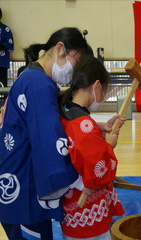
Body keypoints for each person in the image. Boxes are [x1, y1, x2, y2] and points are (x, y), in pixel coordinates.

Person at [0, 27, 89, 240]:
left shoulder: (34, 77)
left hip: (19, 174)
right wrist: (77, 179)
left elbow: (51, 122)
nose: (74, 70)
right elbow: (48, 137)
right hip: (23, 186)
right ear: (60, 49)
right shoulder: (38, 83)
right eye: (77, 60)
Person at [58, 55, 125, 240]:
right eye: (104, 90)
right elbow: (98, 173)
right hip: (87, 212)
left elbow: (80, 145)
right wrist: (109, 145)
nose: (103, 96)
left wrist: (98, 129)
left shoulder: (66, 110)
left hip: (71, 206)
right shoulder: (84, 124)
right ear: (96, 86)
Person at [0, 8, 14, 101]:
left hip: (1, 63)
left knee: (2, 85)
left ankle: (3, 104)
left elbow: (9, 44)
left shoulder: (5, 29)